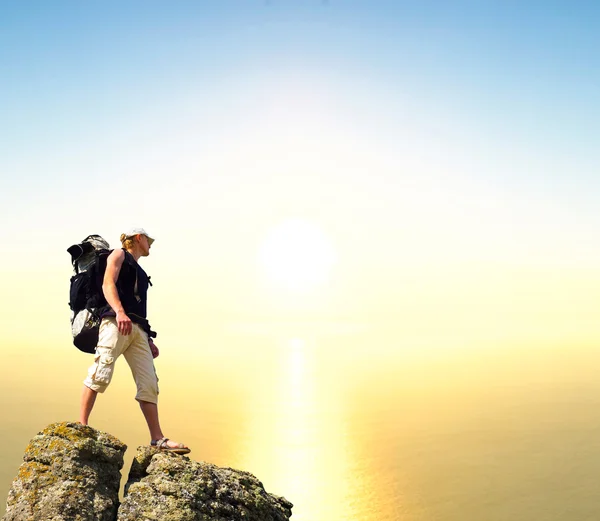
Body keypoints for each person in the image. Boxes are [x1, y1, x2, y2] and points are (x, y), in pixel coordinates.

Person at [79, 228, 190, 454]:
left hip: (137, 329)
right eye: (149, 240)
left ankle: (157, 439)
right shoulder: (118, 255)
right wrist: (119, 312)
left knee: (149, 383)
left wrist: (147, 338)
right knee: (101, 371)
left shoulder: (139, 269)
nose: (151, 245)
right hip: (115, 322)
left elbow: (139, 306)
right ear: (138, 238)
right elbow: (107, 284)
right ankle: (81, 427)